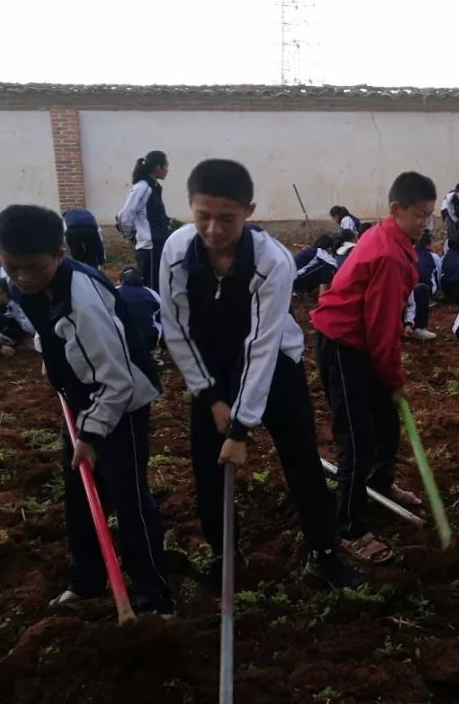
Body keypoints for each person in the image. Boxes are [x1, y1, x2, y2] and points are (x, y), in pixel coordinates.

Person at [161, 159, 360, 590]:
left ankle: (324, 553)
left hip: (275, 362)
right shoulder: (176, 251)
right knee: (207, 462)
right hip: (210, 365)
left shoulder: (272, 260)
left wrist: (240, 426)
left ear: (248, 212)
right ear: (191, 207)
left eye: (227, 219)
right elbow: (176, 329)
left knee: (300, 455)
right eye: (203, 216)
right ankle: (224, 553)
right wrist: (212, 397)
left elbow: (261, 345)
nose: (213, 230)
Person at [0, 204, 173, 615]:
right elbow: (47, 328)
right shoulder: (21, 278)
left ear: (61, 254)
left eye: (34, 267)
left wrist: (91, 435)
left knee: (129, 499)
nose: (22, 277)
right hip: (80, 395)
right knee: (80, 493)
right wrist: (49, 356)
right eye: (12, 266)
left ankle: (152, 596)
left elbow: (119, 381)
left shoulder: (84, 303)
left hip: (121, 402)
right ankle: (87, 580)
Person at [310, 171, 436, 565]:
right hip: (344, 345)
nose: (425, 223)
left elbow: (384, 327)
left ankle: (379, 484)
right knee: (357, 439)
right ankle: (349, 527)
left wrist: (388, 382)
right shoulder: (388, 254)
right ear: (395, 209)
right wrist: (394, 378)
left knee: (385, 421)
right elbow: (381, 328)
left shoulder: (391, 239)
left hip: (362, 341)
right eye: (419, 215)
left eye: (430, 215)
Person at [116, 150, 171, 292]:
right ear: (157, 168)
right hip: (149, 247)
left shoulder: (154, 187)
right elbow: (125, 215)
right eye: (165, 166)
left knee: (160, 286)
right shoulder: (143, 188)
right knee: (151, 288)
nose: (167, 170)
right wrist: (131, 236)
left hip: (158, 245)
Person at [117, 267, 162, 352]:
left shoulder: (114, 291)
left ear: (121, 279)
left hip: (120, 341)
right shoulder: (151, 293)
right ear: (141, 279)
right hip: (148, 341)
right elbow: (159, 313)